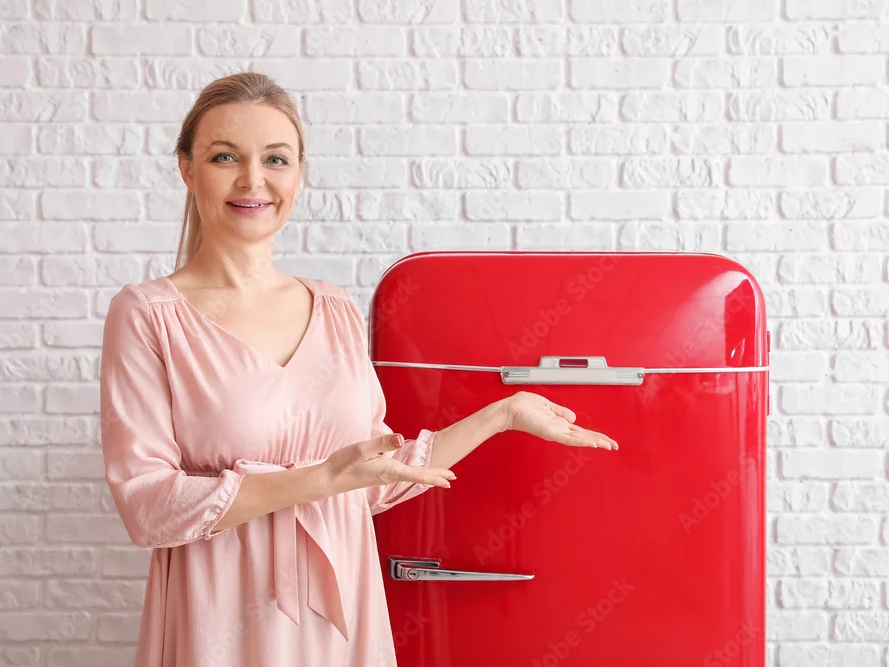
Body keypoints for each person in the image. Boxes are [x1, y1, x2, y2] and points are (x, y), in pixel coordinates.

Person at [98, 71, 619, 667]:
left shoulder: (336, 308)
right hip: (222, 620)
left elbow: (372, 476)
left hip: (342, 618)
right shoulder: (148, 315)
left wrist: (502, 415)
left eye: (276, 158)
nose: (252, 179)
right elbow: (147, 506)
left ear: (299, 174)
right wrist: (320, 480)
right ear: (187, 169)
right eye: (225, 157)